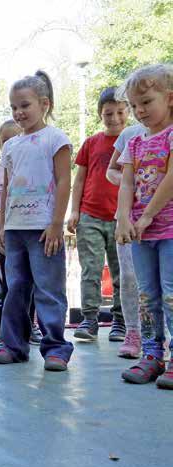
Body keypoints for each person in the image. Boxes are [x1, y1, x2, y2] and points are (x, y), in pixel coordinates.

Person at [0, 70, 74, 372]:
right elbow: (8, 187)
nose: (18, 112)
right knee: (16, 287)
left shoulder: (55, 138)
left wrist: (56, 223)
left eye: (25, 105)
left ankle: (56, 348)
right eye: (14, 107)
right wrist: (1, 224)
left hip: (43, 228)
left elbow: (64, 181)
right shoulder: (11, 146)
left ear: (44, 104)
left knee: (48, 288)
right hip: (15, 229)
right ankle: (13, 345)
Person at [114, 64, 173, 388]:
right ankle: (152, 354)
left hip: (168, 230)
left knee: (171, 294)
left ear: (170, 98)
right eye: (134, 106)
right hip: (141, 233)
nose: (139, 111)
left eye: (146, 102)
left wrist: (148, 214)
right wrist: (124, 216)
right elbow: (126, 183)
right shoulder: (135, 142)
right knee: (147, 295)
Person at [67, 87, 128, 342]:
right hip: (90, 216)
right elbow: (79, 179)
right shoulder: (91, 143)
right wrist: (74, 211)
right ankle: (90, 319)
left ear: (129, 112)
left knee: (121, 272)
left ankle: (121, 321)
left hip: (120, 218)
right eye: (108, 113)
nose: (114, 118)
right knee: (91, 270)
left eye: (120, 112)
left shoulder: (133, 139)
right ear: (100, 115)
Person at [0, 119, 43, 345]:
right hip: (5, 233)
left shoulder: (29, 168)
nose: (9, 143)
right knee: (12, 282)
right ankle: (10, 330)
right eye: (4, 140)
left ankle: (31, 326)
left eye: (13, 138)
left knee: (32, 280)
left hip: (28, 229)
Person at [106, 122, 148, 359]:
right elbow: (111, 170)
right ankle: (133, 331)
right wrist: (129, 180)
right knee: (130, 277)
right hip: (130, 217)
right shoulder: (130, 134)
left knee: (164, 282)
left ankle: (159, 336)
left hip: (165, 220)